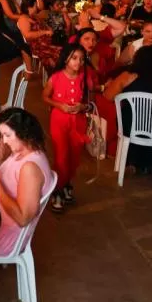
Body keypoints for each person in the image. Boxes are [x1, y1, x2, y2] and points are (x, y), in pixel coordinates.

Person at [0, 108, 52, 264]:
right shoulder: (22, 151)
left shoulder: (30, 168)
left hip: (6, 232)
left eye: (7, 135)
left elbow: (22, 219)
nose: (4, 141)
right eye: (2, 135)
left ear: (23, 132)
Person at [103, 45, 152, 174]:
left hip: (129, 128)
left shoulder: (126, 77)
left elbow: (108, 96)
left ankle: (132, 161)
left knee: (127, 117)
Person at [41, 43, 93, 212]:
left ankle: (66, 184)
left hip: (78, 122)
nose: (78, 62)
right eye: (74, 58)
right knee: (61, 157)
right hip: (59, 121)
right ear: (65, 60)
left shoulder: (85, 78)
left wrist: (82, 107)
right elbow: (45, 96)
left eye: (81, 59)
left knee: (74, 157)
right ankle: (57, 190)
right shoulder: (56, 77)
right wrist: (59, 105)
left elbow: (90, 102)